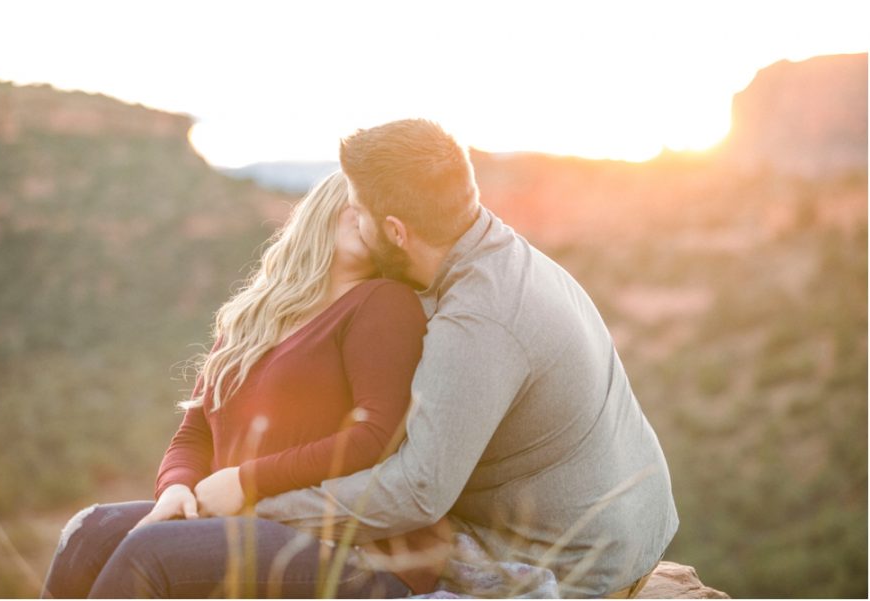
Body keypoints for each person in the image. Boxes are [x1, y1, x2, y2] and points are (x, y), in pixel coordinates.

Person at [253, 119, 680, 598]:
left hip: (577, 564)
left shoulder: (479, 318)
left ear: (395, 230)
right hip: (626, 525)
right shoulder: (496, 253)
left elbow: (417, 494)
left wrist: (258, 509)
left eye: (357, 210)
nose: (353, 220)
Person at [41, 171, 449, 598]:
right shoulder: (256, 315)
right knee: (88, 532)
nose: (370, 218)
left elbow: (377, 437)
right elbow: (194, 430)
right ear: (325, 203)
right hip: (249, 525)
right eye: (361, 201)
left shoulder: (383, 302)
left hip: (358, 553)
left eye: (387, 216)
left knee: (151, 553)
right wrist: (175, 487)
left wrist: (245, 481)